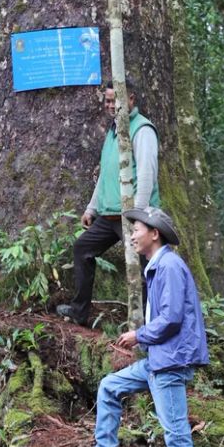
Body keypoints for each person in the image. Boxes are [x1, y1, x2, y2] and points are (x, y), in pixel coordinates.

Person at [73, 207, 208, 447]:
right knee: (110, 386)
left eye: (136, 229)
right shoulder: (157, 266)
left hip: (170, 363)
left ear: (154, 233)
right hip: (158, 361)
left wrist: (139, 335)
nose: (131, 234)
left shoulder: (170, 266)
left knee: (175, 433)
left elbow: (172, 318)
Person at [56, 83, 160, 326]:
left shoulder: (142, 129)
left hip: (135, 216)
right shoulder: (113, 131)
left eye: (116, 101)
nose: (111, 106)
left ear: (131, 99)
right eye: (108, 102)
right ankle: (79, 312)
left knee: (146, 268)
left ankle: (150, 324)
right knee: (83, 248)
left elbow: (146, 175)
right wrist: (92, 208)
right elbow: (106, 174)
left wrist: (139, 217)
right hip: (111, 216)